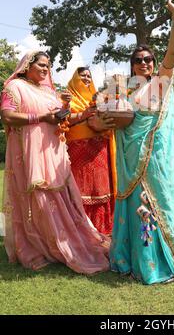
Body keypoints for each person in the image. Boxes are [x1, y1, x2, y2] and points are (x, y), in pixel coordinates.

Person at [109, 0, 174, 284]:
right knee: (136, 208)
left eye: (148, 59)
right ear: (132, 65)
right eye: (138, 60)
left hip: (157, 160)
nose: (144, 63)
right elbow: (111, 119)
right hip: (130, 158)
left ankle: (164, 261)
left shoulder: (160, 82)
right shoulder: (123, 90)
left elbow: (172, 52)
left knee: (158, 204)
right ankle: (136, 261)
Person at [0, 51, 110, 273]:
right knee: (37, 198)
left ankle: (62, 241)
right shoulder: (14, 87)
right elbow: (7, 116)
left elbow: (63, 118)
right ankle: (37, 245)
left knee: (61, 197)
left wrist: (73, 113)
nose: (45, 69)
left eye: (48, 66)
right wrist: (41, 118)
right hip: (29, 153)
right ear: (27, 65)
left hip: (54, 151)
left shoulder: (49, 91)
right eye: (41, 64)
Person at [65, 67, 117, 235]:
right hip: (77, 149)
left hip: (99, 149)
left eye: (89, 76)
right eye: (82, 76)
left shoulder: (99, 97)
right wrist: (83, 115)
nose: (86, 79)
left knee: (99, 187)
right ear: (75, 79)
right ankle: (80, 231)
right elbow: (61, 121)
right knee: (80, 189)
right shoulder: (67, 98)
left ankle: (101, 227)